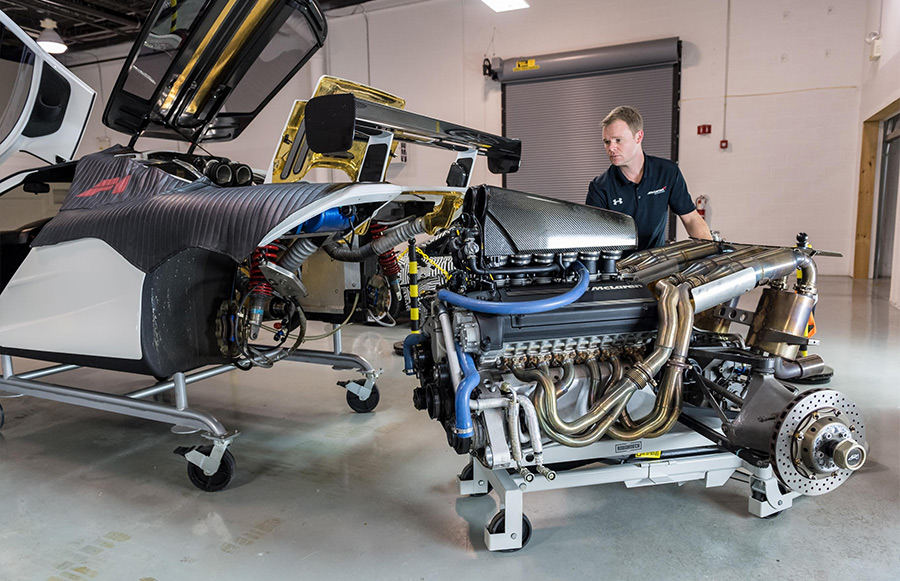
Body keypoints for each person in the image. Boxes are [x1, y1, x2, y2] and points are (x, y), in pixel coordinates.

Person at [586, 106, 712, 250]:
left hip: (655, 266)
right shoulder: (600, 187)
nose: (611, 148)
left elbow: (691, 218)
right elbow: (593, 241)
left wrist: (710, 252)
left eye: (618, 140)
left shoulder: (667, 172)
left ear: (638, 137)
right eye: (607, 142)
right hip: (615, 269)